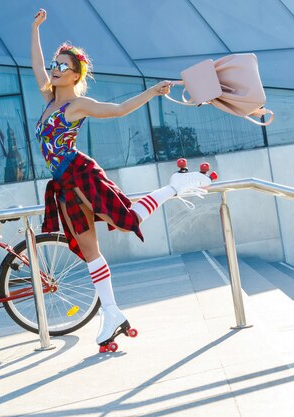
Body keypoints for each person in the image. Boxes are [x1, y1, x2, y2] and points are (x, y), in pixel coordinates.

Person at [31, 8, 215, 349]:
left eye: (62, 67)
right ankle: (112, 313)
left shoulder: (77, 105)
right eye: (54, 65)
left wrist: (152, 92)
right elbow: (35, 65)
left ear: (75, 75)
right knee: (89, 250)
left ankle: (174, 186)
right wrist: (35, 29)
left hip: (78, 172)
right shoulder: (48, 101)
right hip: (61, 184)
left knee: (127, 217)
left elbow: (117, 111)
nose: (54, 70)